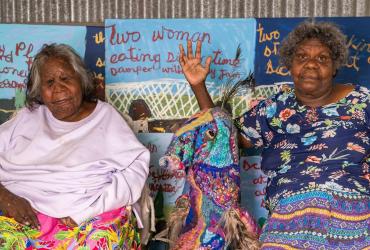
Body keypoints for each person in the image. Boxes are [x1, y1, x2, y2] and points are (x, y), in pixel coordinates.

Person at [179, 21, 369, 249]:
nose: (311, 64)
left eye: (322, 58)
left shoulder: (362, 101)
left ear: (335, 67)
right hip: (287, 218)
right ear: (290, 65)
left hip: (354, 215)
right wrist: (199, 86)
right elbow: (224, 138)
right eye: (301, 57)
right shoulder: (274, 108)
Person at [0, 43, 150, 249]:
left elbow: (133, 174)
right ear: (39, 90)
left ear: (81, 79)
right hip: (21, 210)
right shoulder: (28, 117)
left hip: (84, 215)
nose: (58, 89)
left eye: (65, 79)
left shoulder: (105, 118)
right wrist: (5, 197)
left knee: (100, 242)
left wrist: (86, 213)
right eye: (49, 82)